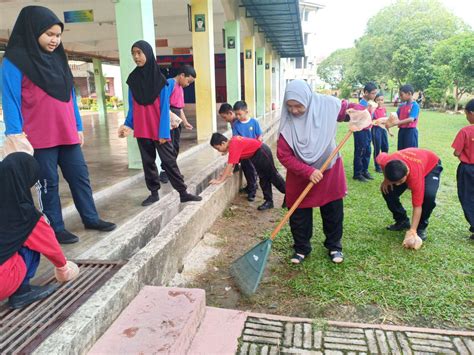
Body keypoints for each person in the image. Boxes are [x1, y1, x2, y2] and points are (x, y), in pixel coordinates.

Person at [2, 6, 116, 245]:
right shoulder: (13, 62)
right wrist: (14, 134)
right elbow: (10, 99)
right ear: (32, 31)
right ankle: (54, 226)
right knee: (47, 183)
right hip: (38, 136)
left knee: (80, 176)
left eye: (58, 35)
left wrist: (77, 125)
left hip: (67, 132)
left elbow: (70, 94)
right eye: (49, 34)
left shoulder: (58, 59)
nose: (55, 40)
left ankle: (91, 217)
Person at [277, 80, 354, 264]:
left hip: (329, 169)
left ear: (309, 100)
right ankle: (301, 248)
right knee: (298, 211)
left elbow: (349, 110)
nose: (294, 111)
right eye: (290, 106)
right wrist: (307, 171)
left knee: (333, 210)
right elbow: (284, 156)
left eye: (299, 106)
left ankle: (334, 246)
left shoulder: (326, 106)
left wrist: (362, 114)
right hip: (300, 175)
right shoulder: (287, 124)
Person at [117, 40, 201, 206]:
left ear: (147, 54)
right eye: (133, 53)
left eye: (139, 53)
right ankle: (154, 193)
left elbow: (164, 109)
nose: (136, 57)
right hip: (142, 128)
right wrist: (128, 124)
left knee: (169, 161)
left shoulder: (160, 80)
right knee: (148, 163)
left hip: (158, 129)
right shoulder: (132, 80)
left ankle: (183, 193)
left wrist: (163, 132)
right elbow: (132, 106)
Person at [1, 152, 79, 309]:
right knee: (30, 244)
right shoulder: (25, 215)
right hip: (3, 281)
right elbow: (51, 247)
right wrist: (63, 268)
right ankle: (22, 292)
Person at [377, 148, 442, 241]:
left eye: (400, 181)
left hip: (431, 165)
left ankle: (420, 227)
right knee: (387, 190)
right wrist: (386, 180)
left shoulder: (415, 177)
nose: (397, 184)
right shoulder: (386, 161)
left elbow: (417, 206)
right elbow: (381, 156)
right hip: (408, 164)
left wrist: (413, 230)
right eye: (395, 182)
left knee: (428, 196)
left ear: (407, 173)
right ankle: (402, 221)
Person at [209, 133, 285, 211]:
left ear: (223, 143)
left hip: (262, 152)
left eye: (218, 148)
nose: (219, 151)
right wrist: (228, 172)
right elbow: (232, 162)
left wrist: (220, 180)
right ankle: (269, 201)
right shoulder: (232, 142)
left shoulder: (234, 144)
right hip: (256, 155)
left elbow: (230, 164)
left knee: (273, 175)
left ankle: (288, 195)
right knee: (263, 178)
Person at [160, 65, 196, 183]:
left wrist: (185, 122)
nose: (188, 84)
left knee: (175, 146)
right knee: (168, 147)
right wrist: (171, 119)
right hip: (169, 117)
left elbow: (179, 108)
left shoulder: (180, 88)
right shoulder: (170, 83)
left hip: (176, 119)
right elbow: (164, 104)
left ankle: (172, 171)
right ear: (182, 75)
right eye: (188, 81)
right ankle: (165, 172)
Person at [452, 99, 474, 240]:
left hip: (467, 169)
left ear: (471, 113)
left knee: (467, 197)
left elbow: (456, 152)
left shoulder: (465, 131)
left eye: (466, 114)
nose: (466, 118)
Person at [232, 100, 262, 202]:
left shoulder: (254, 122)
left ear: (246, 111)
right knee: (246, 170)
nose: (238, 116)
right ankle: (250, 186)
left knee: (252, 170)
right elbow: (236, 138)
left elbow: (259, 136)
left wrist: (258, 144)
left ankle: (252, 192)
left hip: (253, 152)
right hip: (243, 153)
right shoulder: (236, 124)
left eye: (239, 114)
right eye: (236, 114)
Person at [353, 82, 377, 182]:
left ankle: (364, 170)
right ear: (366, 93)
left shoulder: (371, 104)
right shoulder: (361, 105)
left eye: (375, 93)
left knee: (368, 150)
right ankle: (357, 173)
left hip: (368, 130)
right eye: (372, 93)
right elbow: (358, 118)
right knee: (360, 151)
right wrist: (369, 110)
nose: (374, 95)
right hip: (360, 130)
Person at [386, 84, 420, 150]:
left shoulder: (415, 105)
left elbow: (411, 119)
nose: (400, 97)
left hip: (411, 132)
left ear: (409, 94)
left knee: (410, 152)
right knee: (401, 151)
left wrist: (397, 122)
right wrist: (388, 123)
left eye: (401, 95)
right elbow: (395, 117)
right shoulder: (401, 106)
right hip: (401, 131)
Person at [372, 93, 390, 173]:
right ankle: (377, 166)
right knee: (377, 148)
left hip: (383, 130)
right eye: (378, 100)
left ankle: (384, 163)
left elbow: (386, 121)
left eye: (381, 100)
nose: (380, 102)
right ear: (375, 100)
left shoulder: (384, 109)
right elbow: (371, 121)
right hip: (376, 130)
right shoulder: (373, 110)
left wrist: (389, 131)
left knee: (385, 147)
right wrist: (377, 121)